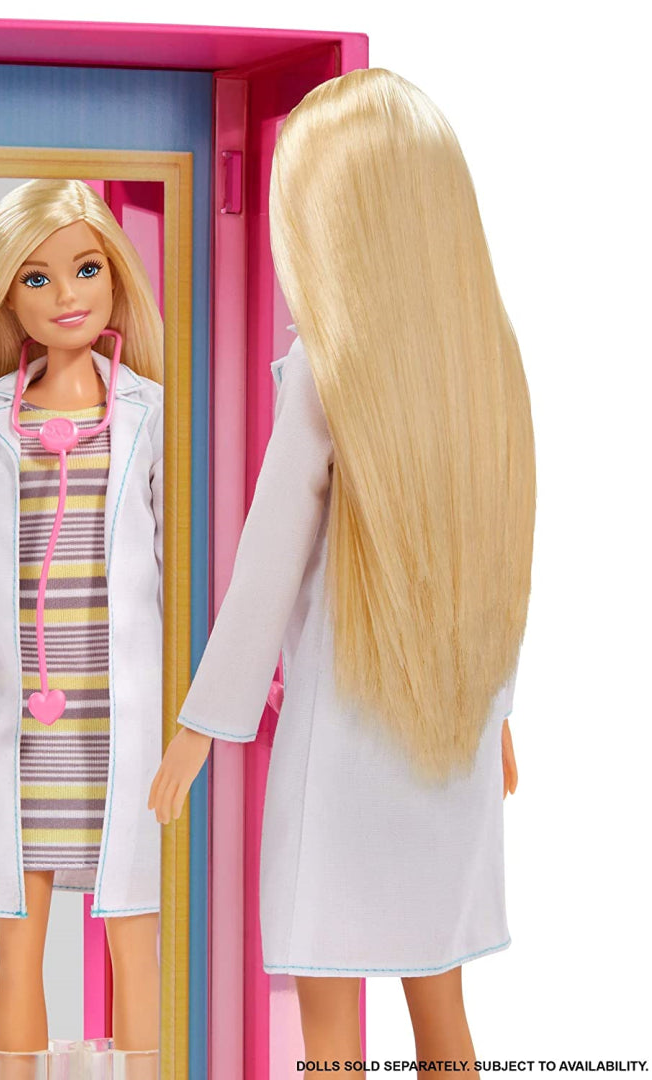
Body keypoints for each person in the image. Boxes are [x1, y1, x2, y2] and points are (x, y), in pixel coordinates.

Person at [150, 68, 535, 1070]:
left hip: (346, 752)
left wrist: (201, 725)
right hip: (448, 744)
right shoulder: (484, 367)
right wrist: (494, 710)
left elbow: (268, 563)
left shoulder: (328, 371)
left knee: (329, 1019)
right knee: (440, 1004)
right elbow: (495, 559)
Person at [0, 178, 164, 1059]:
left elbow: (174, 565)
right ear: (7, 297)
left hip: (119, 717)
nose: (66, 295)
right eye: (36, 278)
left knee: (136, 946)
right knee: (19, 951)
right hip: (21, 722)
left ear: (117, 276)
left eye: (86, 269)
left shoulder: (149, 413)